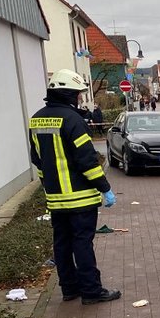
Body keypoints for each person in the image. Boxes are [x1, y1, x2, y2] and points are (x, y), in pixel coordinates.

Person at [29, 69, 121, 305]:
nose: (80, 98)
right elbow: (87, 161)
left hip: (56, 198)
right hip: (79, 198)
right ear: (69, 94)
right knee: (82, 243)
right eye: (78, 94)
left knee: (61, 243)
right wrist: (105, 187)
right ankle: (91, 290)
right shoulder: (73, 120)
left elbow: (37, 159)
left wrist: (47, 185)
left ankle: (69, 288)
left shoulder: (36, 119)